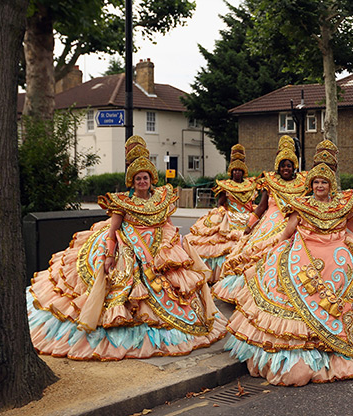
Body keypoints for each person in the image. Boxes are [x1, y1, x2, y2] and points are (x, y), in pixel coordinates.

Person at [27, 136, 227, 360]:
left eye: (146, 178)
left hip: (160, 246)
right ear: (132, 181)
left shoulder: (162, 197)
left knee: (178, 283)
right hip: (129, 246)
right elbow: (113, 231)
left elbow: (167, 222)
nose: (143, 181)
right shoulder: (122, 202)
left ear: (151, 179)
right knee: (123, 281)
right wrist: (109, 255)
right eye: (138, 178)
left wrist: (176, 242)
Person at [224, 162, 353, 385]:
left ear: (330, 185)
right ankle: (314, 351)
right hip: (305, 260)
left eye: (324, 182)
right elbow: (288, 232)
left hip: (341, 262)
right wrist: (276, 251)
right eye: (316, 182)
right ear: (311, 184)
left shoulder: (342, 206)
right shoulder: (301, 205)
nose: (320, 186)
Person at [213, 136, 307, 303]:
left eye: (289, 165)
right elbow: (261, 207)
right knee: (258, 255)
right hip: (268, 225)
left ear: (294, 166)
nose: (286, 168)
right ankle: (252, 292)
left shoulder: (303, 182)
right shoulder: (269, 181)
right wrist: (250, 226)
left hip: (293, 223)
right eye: (283, 165)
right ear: (278, 166)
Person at [183, 144, 258, 283]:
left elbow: (251, 203)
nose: (237, 173)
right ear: (231, 171)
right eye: (234, 170)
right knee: (219, 243)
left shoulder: (251, 185)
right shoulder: (225, 185)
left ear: (243, 171)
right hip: (230, 217)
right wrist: (222, 212)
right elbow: (221, 203)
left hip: (247, 217)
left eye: (239, 170)